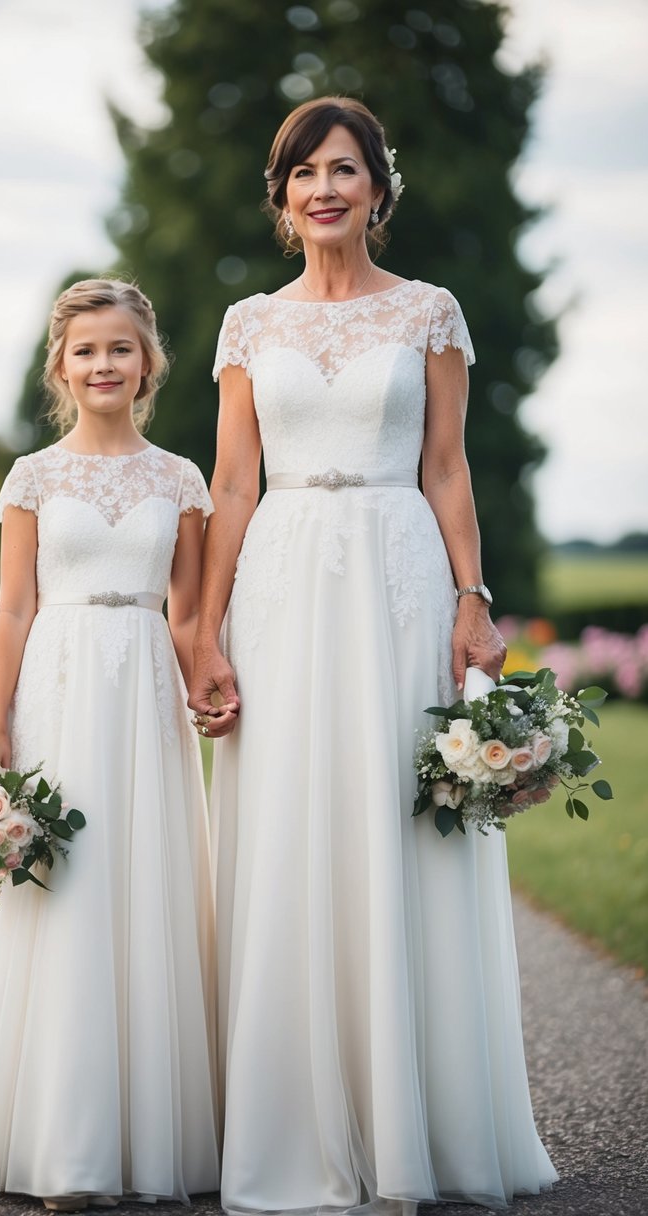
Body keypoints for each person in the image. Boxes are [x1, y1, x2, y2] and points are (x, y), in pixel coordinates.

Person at [189, 97, 558, 1215]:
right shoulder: (249, 325)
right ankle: (295, 1128)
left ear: (378, 191)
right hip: (284, 578)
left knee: (407, 820)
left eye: (344, 169)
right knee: (294, 819)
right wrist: (202, 631)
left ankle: (419, 1127)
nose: (324, 189)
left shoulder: (430, 315)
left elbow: (447, 469)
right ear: (282, 195)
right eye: (304, 172)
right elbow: (234, 486)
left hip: (399, 574)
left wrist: (471, 599)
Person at [0, 279, 220, 1211]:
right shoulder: (32, 478)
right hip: (56, 688)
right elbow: (13, 609)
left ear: (147, 362)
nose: (102, 366)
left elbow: (190, 610)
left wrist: (208, 677)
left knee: (143, 885)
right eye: (85, 351)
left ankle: (141, 1130)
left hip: (144, 699)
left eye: (119, 349)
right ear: (60, 366)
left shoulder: (180, 481)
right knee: (63, 888)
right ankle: (58, 1141)